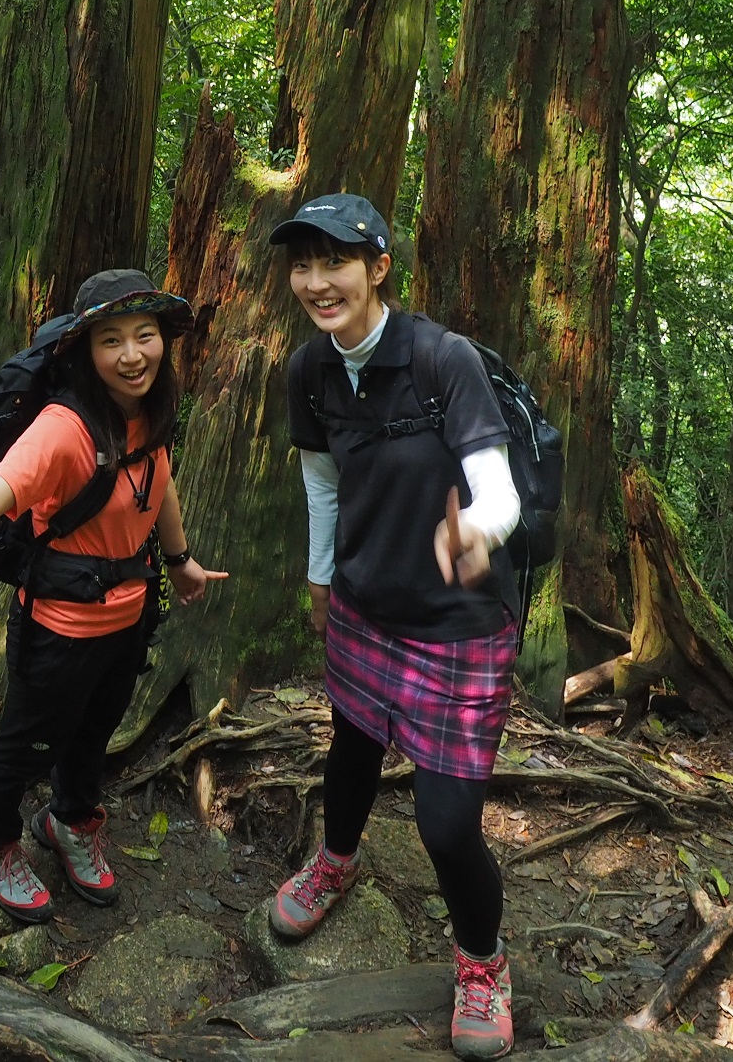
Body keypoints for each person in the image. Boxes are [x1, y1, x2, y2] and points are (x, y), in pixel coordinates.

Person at [0, 269, 227, 924]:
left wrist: (180, 560)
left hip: (131, 612)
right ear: (87, 350)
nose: (132, 354)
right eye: (112, 340)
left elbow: (158, 482)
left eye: (145, 335)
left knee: (97, 729)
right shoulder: (64, 427)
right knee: (25, 742)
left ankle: (72, 820)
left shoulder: (151, 412)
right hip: (58, 626)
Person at [268, 193, 522, 1062]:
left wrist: (475, 533)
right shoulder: (308, 371)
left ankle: (482, 964)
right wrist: (320, 578)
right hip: (365, 604)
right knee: (350, 743)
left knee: (447, 825)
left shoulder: (443, 360)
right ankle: (335, 860)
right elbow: (322, 485)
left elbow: (502, 494)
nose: (315, 281)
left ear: (378, 267)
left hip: (457, 624)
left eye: (333, 261)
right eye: (301, 265)